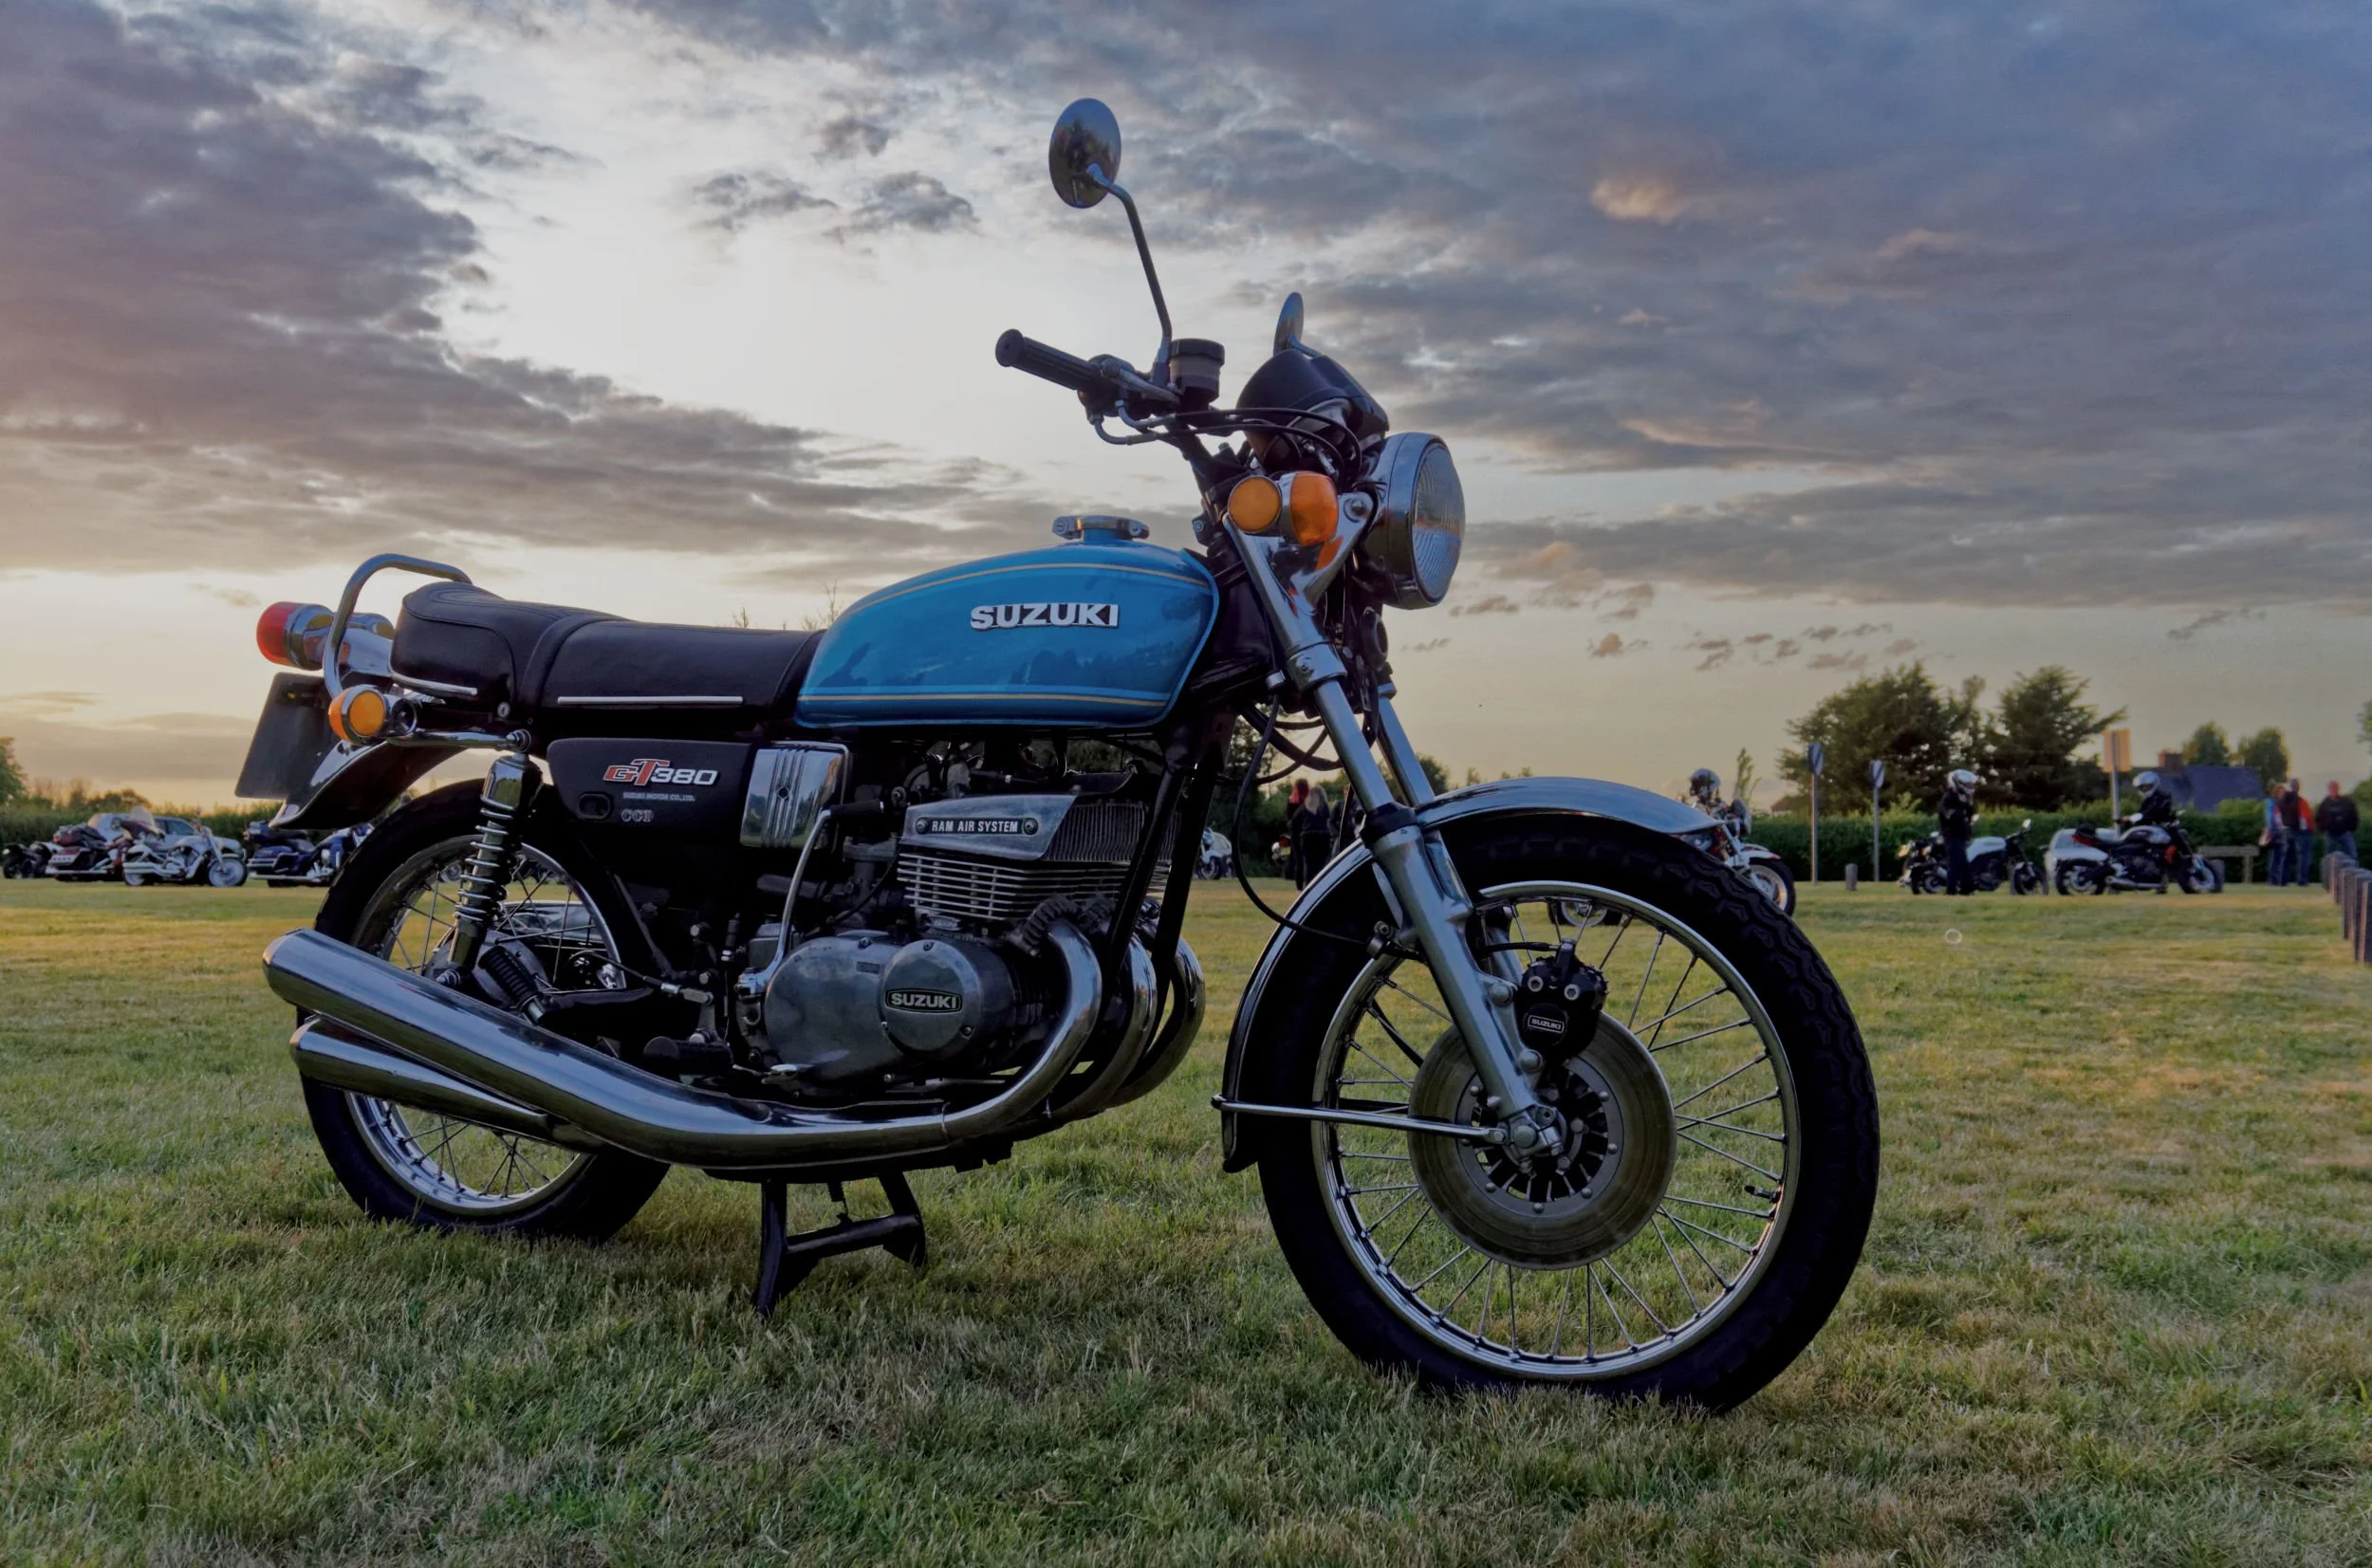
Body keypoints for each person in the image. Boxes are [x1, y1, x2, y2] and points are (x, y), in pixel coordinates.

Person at [1937, 768, 1977, 895]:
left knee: (1962, 863)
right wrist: (1962, 805)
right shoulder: (1949, 798)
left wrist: (1969, 804)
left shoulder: (1962, 798)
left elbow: (1969, 815)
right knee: (1955, 864)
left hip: (1961, 836)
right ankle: (1952, 890)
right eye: (1967, 784)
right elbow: (1950, 816)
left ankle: (1967, 888)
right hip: (1952, 836)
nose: (1969, 787)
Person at [2316, 781, 2360, 865]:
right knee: (2329, 857)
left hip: (2345, 832)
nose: (2334, 790)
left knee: (2353, 855)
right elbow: (2318, 818)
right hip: (2331, 834)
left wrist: (2353, 827)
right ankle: (2329, 875)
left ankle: (2354, 873)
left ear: (2338, 788)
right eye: (2332, 788)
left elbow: (2354, 814)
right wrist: (2322, 830)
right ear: (2329, 790)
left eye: (2335, 788)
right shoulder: (2325, 804)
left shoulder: (2346, 801)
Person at [2281, 779, 2315, 885]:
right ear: (2298, 787)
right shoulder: (2300, 801)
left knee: (2287, 856)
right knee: (2303, 856)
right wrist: (2310, 829)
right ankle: (2302, 880)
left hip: (2287, 830)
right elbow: (2306, 817)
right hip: (2301, 832)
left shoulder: (2283, 800)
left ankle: (2283, 879)